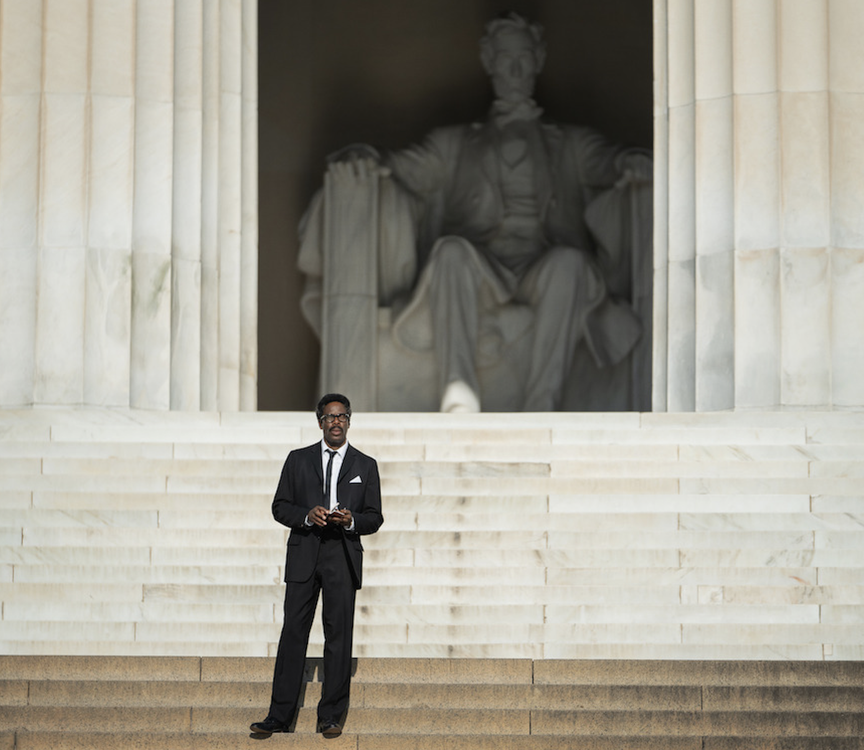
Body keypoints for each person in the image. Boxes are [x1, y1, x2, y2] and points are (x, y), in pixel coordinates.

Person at [308, 12, 648, 412]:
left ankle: (543, 400)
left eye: (524, 57)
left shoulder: (570, 144)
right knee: (449, 251)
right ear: (489, 63)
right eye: (506, 59)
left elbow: (609, 162)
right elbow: (404, 165)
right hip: (482, 266)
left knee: (571, 263)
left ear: (538, 59)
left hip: (544, 265)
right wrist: (368, 157)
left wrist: (633, 161)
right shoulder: (453, 144)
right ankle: (459, 387)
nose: (516, 69)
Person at [250, 393, 384, 739]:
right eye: (329, 417)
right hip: (305, 554)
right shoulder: (297, 460)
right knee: (293, 632)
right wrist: (307, 516)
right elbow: (280, 507)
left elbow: (375, 517)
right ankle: (279, 716)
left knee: (338, 637)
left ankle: (331, 717)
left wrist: (352, 520)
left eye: (342, 416)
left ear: (349, 421)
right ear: (320, 422)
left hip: (342, 555)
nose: (336, 422)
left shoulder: (365, 465)